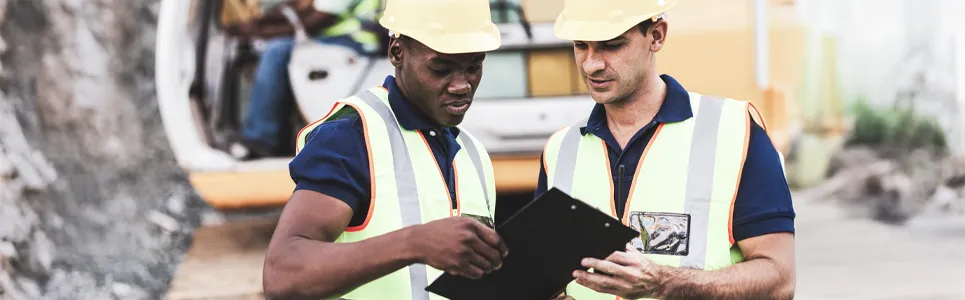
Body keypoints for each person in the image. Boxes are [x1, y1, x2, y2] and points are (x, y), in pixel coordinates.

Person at [518, 0, 798, 299]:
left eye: (611, 45)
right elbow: (545, 278)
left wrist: (664, 283)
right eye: (580, 45)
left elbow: (779, 279)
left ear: (657, 36)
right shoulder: (561, 150)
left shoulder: (734, 130)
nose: (591, 64)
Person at [261, 0, 508, 299]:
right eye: (441, 68)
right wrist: (415, 243)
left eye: (473, 67)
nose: (461, 85)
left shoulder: (472, 152)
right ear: (397, 53)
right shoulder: (351, 137)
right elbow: (282, 274)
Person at [224, 0, 383, 159]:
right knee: (280, 50)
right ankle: (279, 136)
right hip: (339, 38)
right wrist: (261, 24)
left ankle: (261, 137)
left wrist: (258, 33)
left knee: (276, 51)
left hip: (352, 41)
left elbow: (316, 21)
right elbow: (303, 12)